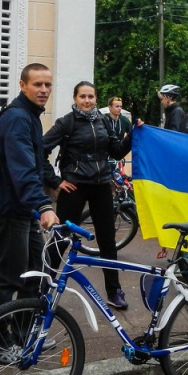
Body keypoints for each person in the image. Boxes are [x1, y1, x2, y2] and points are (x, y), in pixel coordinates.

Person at [44, 82, 134, 310]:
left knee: (108, 241)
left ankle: (114, 292)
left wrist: (134, 135)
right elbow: (40, 150)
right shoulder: (66, 122)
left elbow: (116, 151)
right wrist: (55, 181)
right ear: (75, 98)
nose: (87, 100)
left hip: (101, 185)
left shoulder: (103, 121)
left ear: (96, 99)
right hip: (74, 186)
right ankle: (42, 287)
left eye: (91, 97)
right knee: (61, 237)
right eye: (82, 96)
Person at [0, 63, 60, 314]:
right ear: (22, 85)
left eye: (47, 84)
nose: (44, 89)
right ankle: (1, 336)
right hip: (9, 209)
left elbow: (35, 163)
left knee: (36, 274)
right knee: (10, 278)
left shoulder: (30, 115)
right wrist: (44, 205)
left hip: (23, 208)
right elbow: (23, 168)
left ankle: (23, 331)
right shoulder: (17, 118)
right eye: (37, 84)